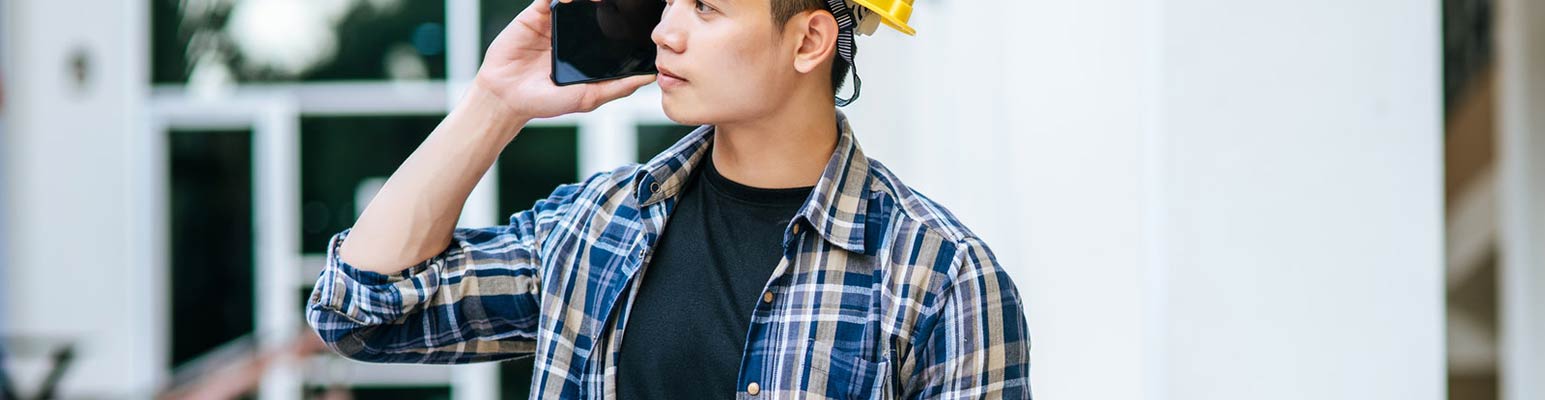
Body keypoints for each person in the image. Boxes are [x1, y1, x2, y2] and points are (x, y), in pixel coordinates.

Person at [302, 0, 1030, 398]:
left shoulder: (941, 278)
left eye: (705, 7)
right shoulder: (598, 227)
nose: (662, 31)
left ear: (810, 40)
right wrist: (494, 104)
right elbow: (361, 311)